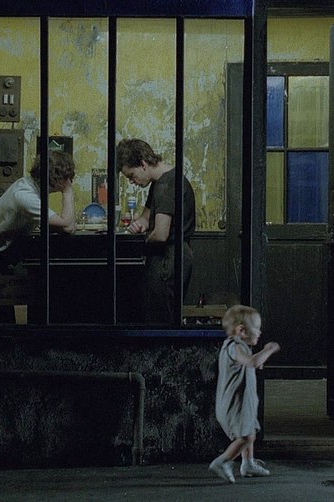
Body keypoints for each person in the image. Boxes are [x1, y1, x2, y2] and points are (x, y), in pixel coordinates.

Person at [116, 138, 196, 323]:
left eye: (131, 175)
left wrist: (142, 243)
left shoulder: (166, 186)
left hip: (167, 259)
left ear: (143, 164)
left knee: (160, 320)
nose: (132, 182)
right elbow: (145, 218)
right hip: (175, 256)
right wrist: (140, 224)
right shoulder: (161, 182)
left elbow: (160, 234)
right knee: (163, 317)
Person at [209, 305, 281, 483]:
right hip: (235, 404)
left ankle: (248, 463)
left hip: (242, 403)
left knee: (250, 431)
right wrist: (269, 349)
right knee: (246, 436)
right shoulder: (234, 346)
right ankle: (223, 461)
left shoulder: (240, 347)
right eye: (256, 327)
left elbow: (248, 364)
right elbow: (251, 362)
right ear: (241, 330)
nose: (259, 332)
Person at [0, 149, 77, 269]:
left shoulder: (29, 185)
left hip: (2, 248)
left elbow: (64, 225)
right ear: (57, 178)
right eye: (67, 178)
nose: (69, 181)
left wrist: (62, 224)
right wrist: (68, 191)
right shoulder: (25, 196)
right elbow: (67, 225)